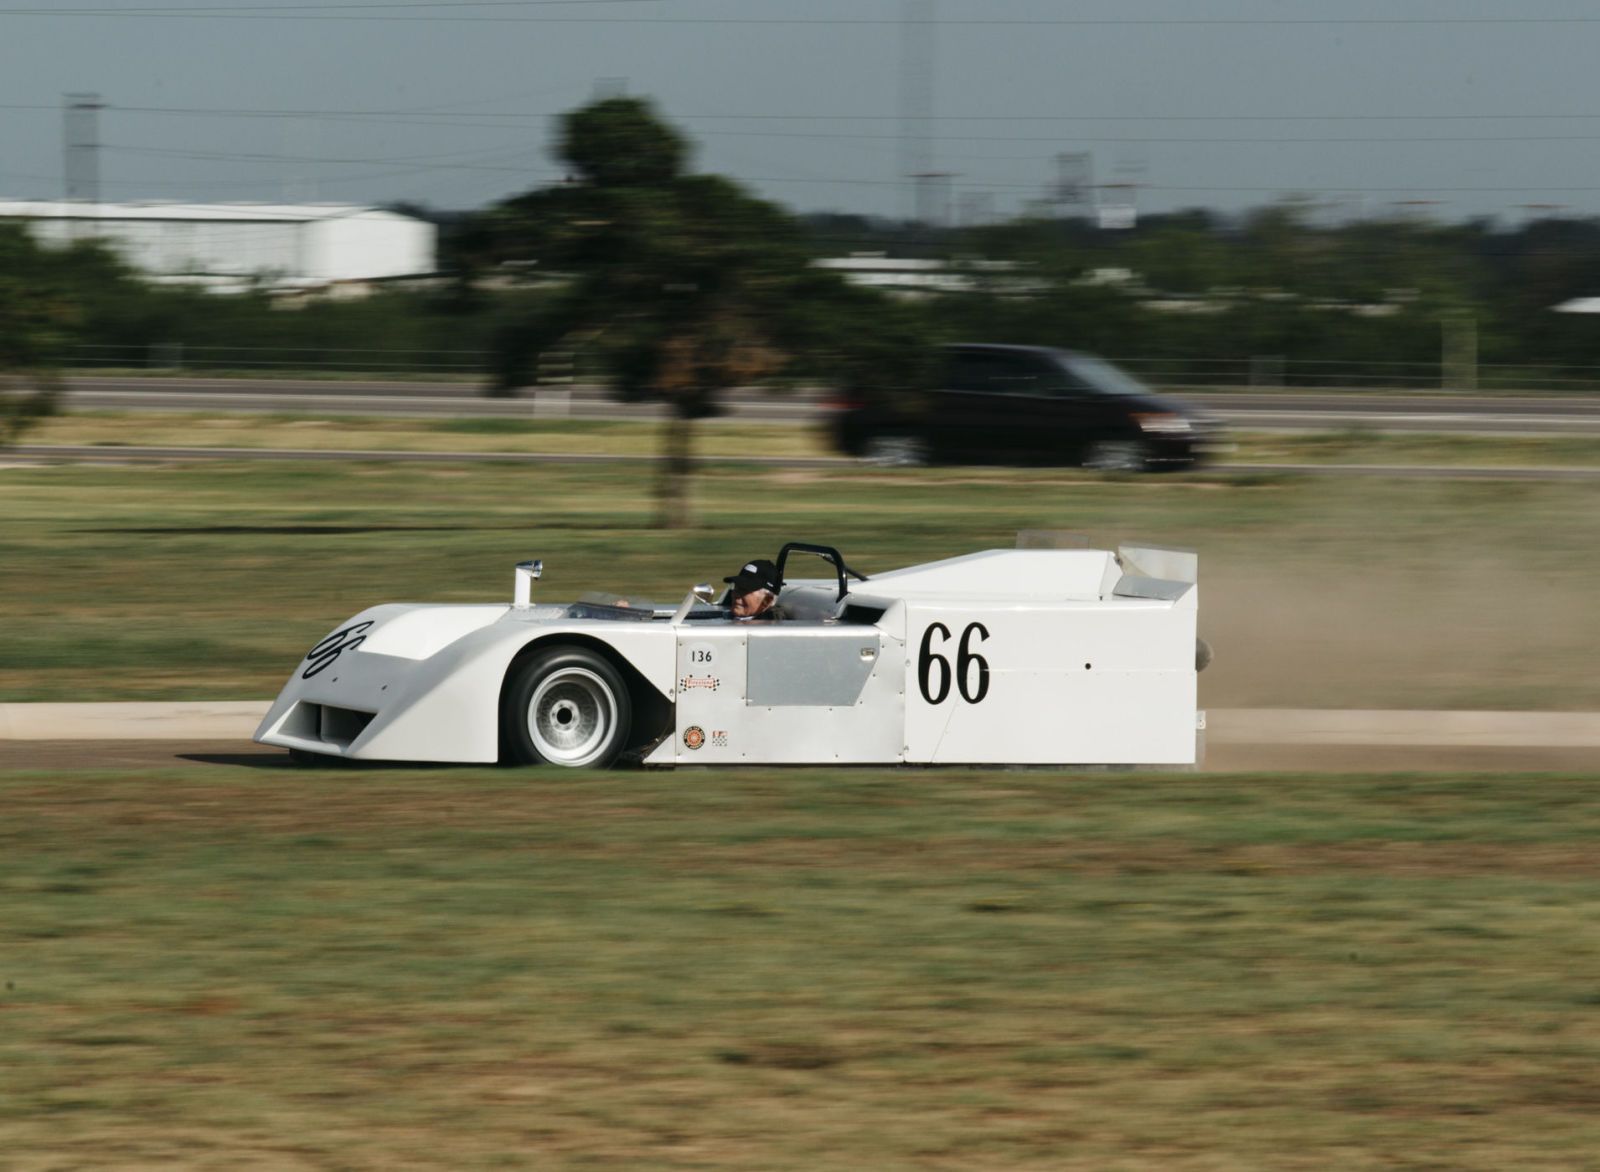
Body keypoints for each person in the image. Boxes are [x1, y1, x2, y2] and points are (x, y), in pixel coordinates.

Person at [723, 558, 788, 621]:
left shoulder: (770, 629)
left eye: (745, 590)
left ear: (767, 600)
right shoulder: (728, 617)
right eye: (736, 588)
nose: (736, 594)